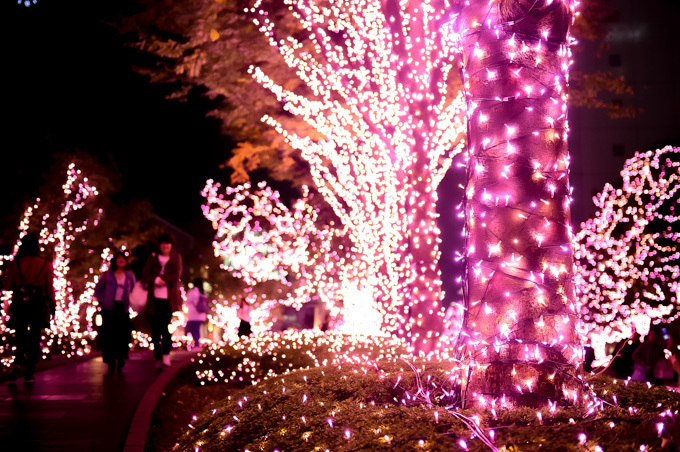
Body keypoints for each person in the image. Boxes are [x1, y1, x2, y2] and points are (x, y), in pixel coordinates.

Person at [2, 233, 55, 382]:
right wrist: (52, 305)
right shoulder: (44, 264)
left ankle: (18, 362)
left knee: (20, 334)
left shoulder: (15, 263)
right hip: (37, 302)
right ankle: (29, 370)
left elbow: (7, 285)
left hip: (20, 302)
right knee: (35, 335)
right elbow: (49, 287)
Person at [142, 233, 182, 368]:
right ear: (159, 245)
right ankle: (157, 355)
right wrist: (155, 280)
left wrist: (163, 279)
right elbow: (145, 274)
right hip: (154, 300)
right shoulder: (153, 257)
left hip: (168, 300)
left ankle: (165, 355)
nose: (165, 246)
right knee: (155, 330)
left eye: (168, 243)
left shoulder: (176, 258)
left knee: (165, 328)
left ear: (171, 245)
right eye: (163, 243)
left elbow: (177, 275)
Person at [94, 251, 135, 373]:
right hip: (109, 309)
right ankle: (110, 360)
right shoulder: (107, 275)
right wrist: (104, 300)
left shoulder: (130, 276)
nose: (121, 260)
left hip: (123, 309)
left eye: (123, 258)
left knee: (122, 335)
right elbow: (98, 290)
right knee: (109, 336)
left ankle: (121, 359)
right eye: (119, 258)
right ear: (114, 261)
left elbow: (133, 291)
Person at [185, 278, 208, 349]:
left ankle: (197, 345)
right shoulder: (203, 293)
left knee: (192, 329)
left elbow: (186, 301)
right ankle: (197, 344)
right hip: (201, 315)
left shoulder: (192, 292)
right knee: (196, 329)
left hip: (193, 315)